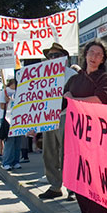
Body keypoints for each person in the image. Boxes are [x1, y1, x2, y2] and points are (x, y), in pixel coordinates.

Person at [65, 39, 107, 213]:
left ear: (103, 59)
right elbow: (63, 98)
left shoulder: (103, 78)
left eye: (99, 55)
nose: (94, 57)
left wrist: (75, 101)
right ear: (85, 55)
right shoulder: (75, 79)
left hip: (95, 136)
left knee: (93, 179)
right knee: (78, 179)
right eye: (91, 53)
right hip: (75, 136)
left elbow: (101, 99)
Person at [38, 42, 77, 200]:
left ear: (64, 57)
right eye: (50, 56)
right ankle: (55, 186)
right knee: (49, 152)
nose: (53, 58)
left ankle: (72, 187)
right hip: (48, 117)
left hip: (65, 115)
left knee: (67, 153)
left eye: (56, 55)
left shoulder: (72, 75)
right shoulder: (42, 75)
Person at [0, 78, 22, 170]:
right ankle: (6, 162)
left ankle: (16, 161)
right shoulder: (4, 92)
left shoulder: (20, 91)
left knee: (17, 142)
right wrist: (7, 102)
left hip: (18, 119)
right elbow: (2, 106)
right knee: (10, 141)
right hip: (8, 119)